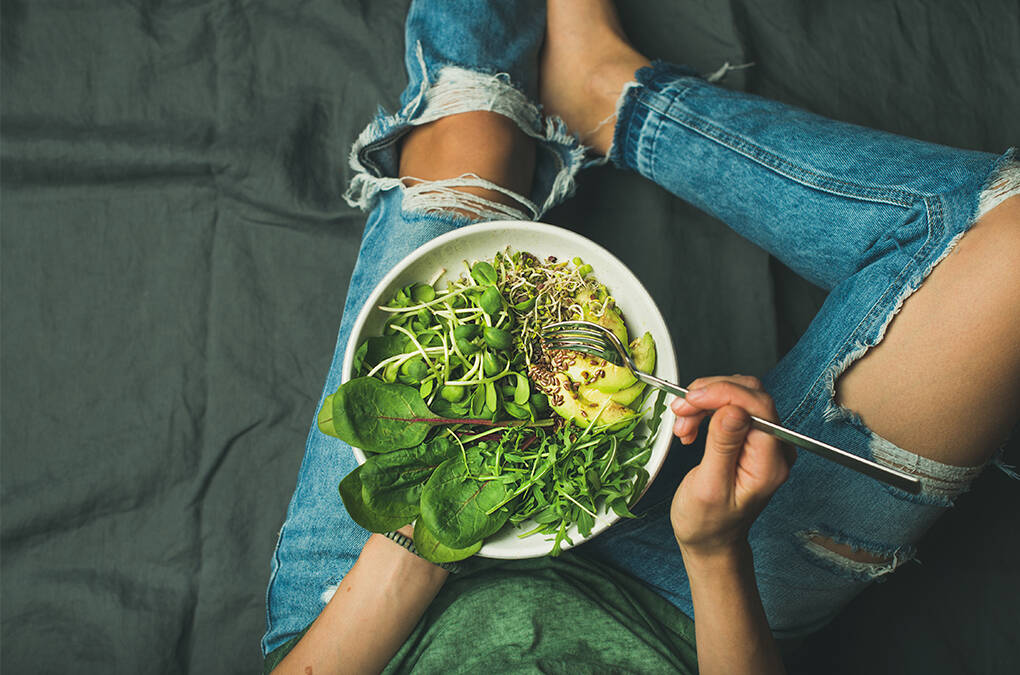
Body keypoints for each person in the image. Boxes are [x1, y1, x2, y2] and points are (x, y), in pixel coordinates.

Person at [262, 1, 1020, 672]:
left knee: (471, 129)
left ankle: (595, 92)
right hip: (682, 614)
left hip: (375, 622)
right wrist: (715, 550)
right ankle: (616, 99)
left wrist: (406, 552)